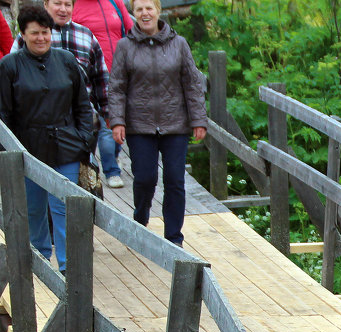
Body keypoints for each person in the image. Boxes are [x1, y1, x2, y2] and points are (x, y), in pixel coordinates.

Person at [0, 4, 93, 269]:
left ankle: (67, 265)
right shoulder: (10, 66)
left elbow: (83, 105)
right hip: (27, 149)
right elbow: (3, 114)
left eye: (45, 32)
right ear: (23, 34)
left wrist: (84, 138)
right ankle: (39, 260)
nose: (41, 38)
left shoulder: (65, 60)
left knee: (64, 205)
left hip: (66, 146)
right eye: (34, 33)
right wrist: (11, 151)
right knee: (34, 209)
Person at [107, 0, 205, 246]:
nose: (145, 13)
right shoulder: (125, 46)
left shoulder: (179, 44)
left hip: (176, 124)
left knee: (174, 179)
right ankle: (140, 218)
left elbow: (192, 84)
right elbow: (117, 87)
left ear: (158, 11)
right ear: (133, 13)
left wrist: (198, 119)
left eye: (149, 8)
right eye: (139, 9)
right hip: (140, 125)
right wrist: (117, 121)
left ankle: (174, 237)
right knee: (144, 178)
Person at [10, 0, 109, 171]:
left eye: (67, 4)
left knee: (79, 182)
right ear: (46, 4)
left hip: (81, 124)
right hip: (40, 128)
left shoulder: (86, 35)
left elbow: (100, 77)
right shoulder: (30, 36)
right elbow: (13, 76)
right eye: (57, 3)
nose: (63, 9)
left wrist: (108, 114)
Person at [70, 0, 130, 187]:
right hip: (92, 75)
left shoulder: (114, 2)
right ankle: (111, 171)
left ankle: (113, 156)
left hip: (119, 72)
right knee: (105, 124)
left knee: (119, 119)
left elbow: (129, 29)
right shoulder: (76, 6)